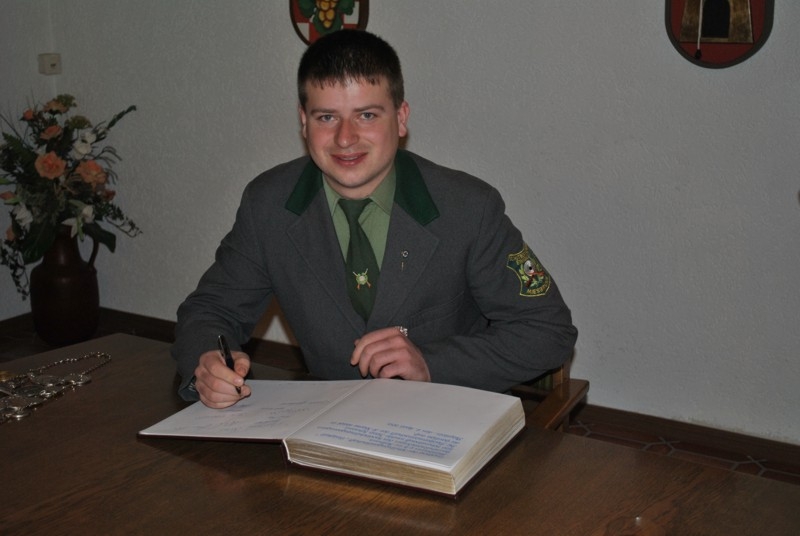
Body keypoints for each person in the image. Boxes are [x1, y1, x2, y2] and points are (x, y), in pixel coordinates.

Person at [172, 29, 577, 409]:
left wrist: (431, 364)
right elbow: (209, 310)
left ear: (400, 118)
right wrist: (208, 362)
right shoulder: (268, 205)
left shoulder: (468, 208)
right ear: (303, 121)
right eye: (326, 117)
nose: (345, 138)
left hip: (447, 418)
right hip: (326, 427)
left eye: (366, 115)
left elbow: (547, 331)